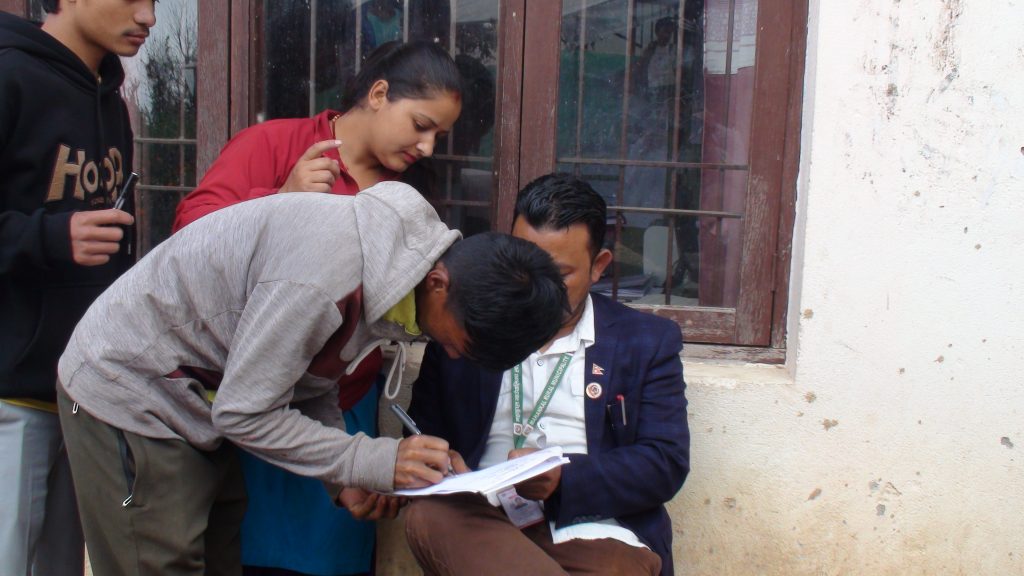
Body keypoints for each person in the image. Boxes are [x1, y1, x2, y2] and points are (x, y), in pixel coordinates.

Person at [56, 182, 568, 575]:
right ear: (439, 283)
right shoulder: (326, 276)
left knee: (216, 560)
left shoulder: (397, 264)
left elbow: (308, 380)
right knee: (159, 563)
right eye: (462, 342)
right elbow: (243, 413)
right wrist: (370, 459)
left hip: (195, 396)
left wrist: (344, 478)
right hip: (130, 384)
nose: (452, 353)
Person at [173, 39, 462, 576]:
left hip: (339, 400)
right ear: (379, 94)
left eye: (438, 137)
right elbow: (190, 238)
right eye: (421, 125)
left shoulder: (406, 195)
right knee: (240, 555)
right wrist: (279, 199)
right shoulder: (275, 142)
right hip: (246, 396)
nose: (427, 147)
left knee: (333, 559)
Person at [403, 174, 690, 576]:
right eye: (522, 266)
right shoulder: (463, 322)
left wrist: (563, 480)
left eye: (557, 274)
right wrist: (437, 460)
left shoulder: (645, 341)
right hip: (482, 529)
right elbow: (421, 431)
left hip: (596, 531)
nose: (534, 288)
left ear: (598, 267)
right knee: (428, 516)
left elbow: (664, 463)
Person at [0, 1, 154, 574]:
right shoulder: (10, 75)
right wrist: (50, 236)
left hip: (84, 396)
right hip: (10, 393)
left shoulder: (111, 103)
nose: (149, 17)